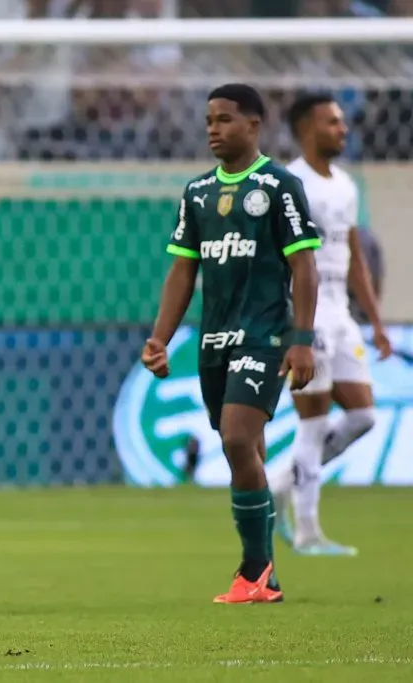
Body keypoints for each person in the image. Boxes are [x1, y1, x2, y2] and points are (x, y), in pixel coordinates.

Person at [141, 83, 321, 604]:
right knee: (246, 450)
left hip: (264, 334)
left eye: (224, 119)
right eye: (208, 121)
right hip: (214, 340)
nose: (214, 129)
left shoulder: (279, 185)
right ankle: (268, 578)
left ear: (253, 124)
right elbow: (183, 269)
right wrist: (159, 338)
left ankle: (253, 569)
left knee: (237, 440)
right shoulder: (197, 193)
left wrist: (302, 340)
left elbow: (303, 265)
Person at [269, 93, 392, 556]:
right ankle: (307, 532)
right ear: (306, 129)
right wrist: (287, 325)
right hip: (308, 314)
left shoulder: (344, 184)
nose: (343, 129)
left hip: (342, 314)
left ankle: (281, 482)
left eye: (342, 122)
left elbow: (354, 255)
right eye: (332, 122)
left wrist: (376, 321)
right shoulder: (290, 183)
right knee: (314, 422)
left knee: (362, 414)